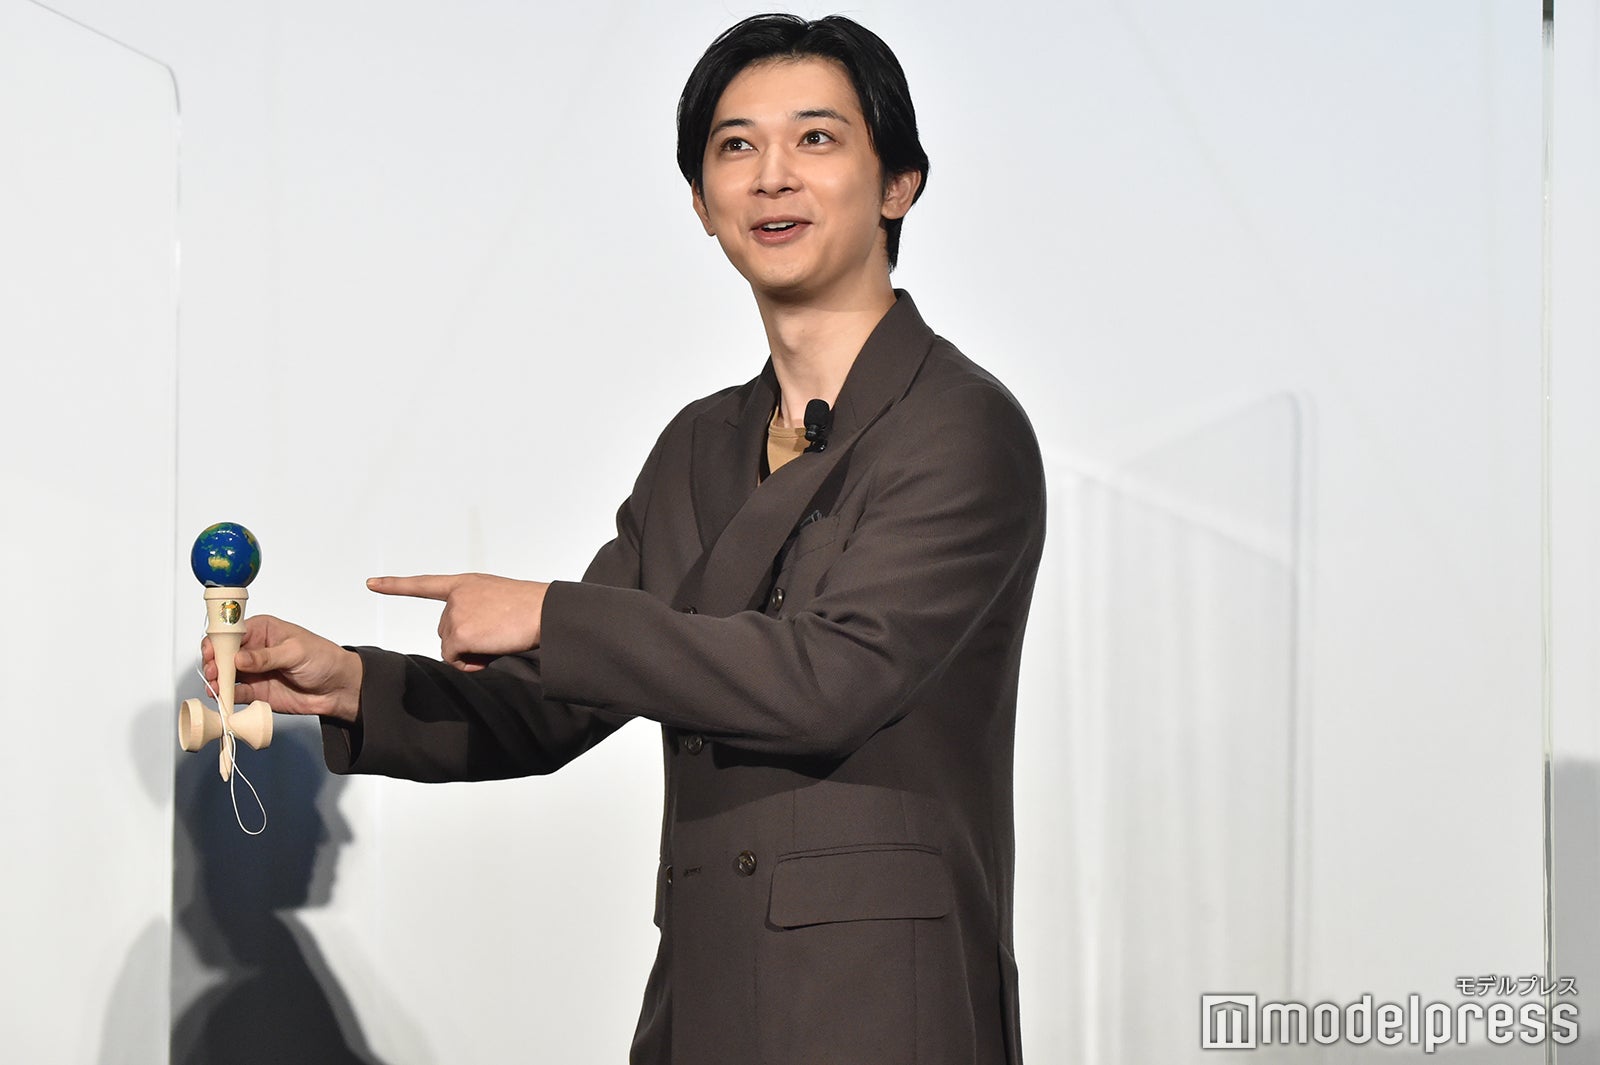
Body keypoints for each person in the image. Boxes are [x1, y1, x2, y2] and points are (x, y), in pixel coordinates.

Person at [205, 13, 1045, 1065]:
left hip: (877, 1005)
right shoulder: (699, 443)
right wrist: (357, 686)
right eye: (736, 146)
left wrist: (552, 613)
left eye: (816, 138)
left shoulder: (958, 423)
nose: (772, 176)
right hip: (702, 1002)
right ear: (701, 203)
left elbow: (833, 675)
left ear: (898, 185)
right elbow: (561, 701)